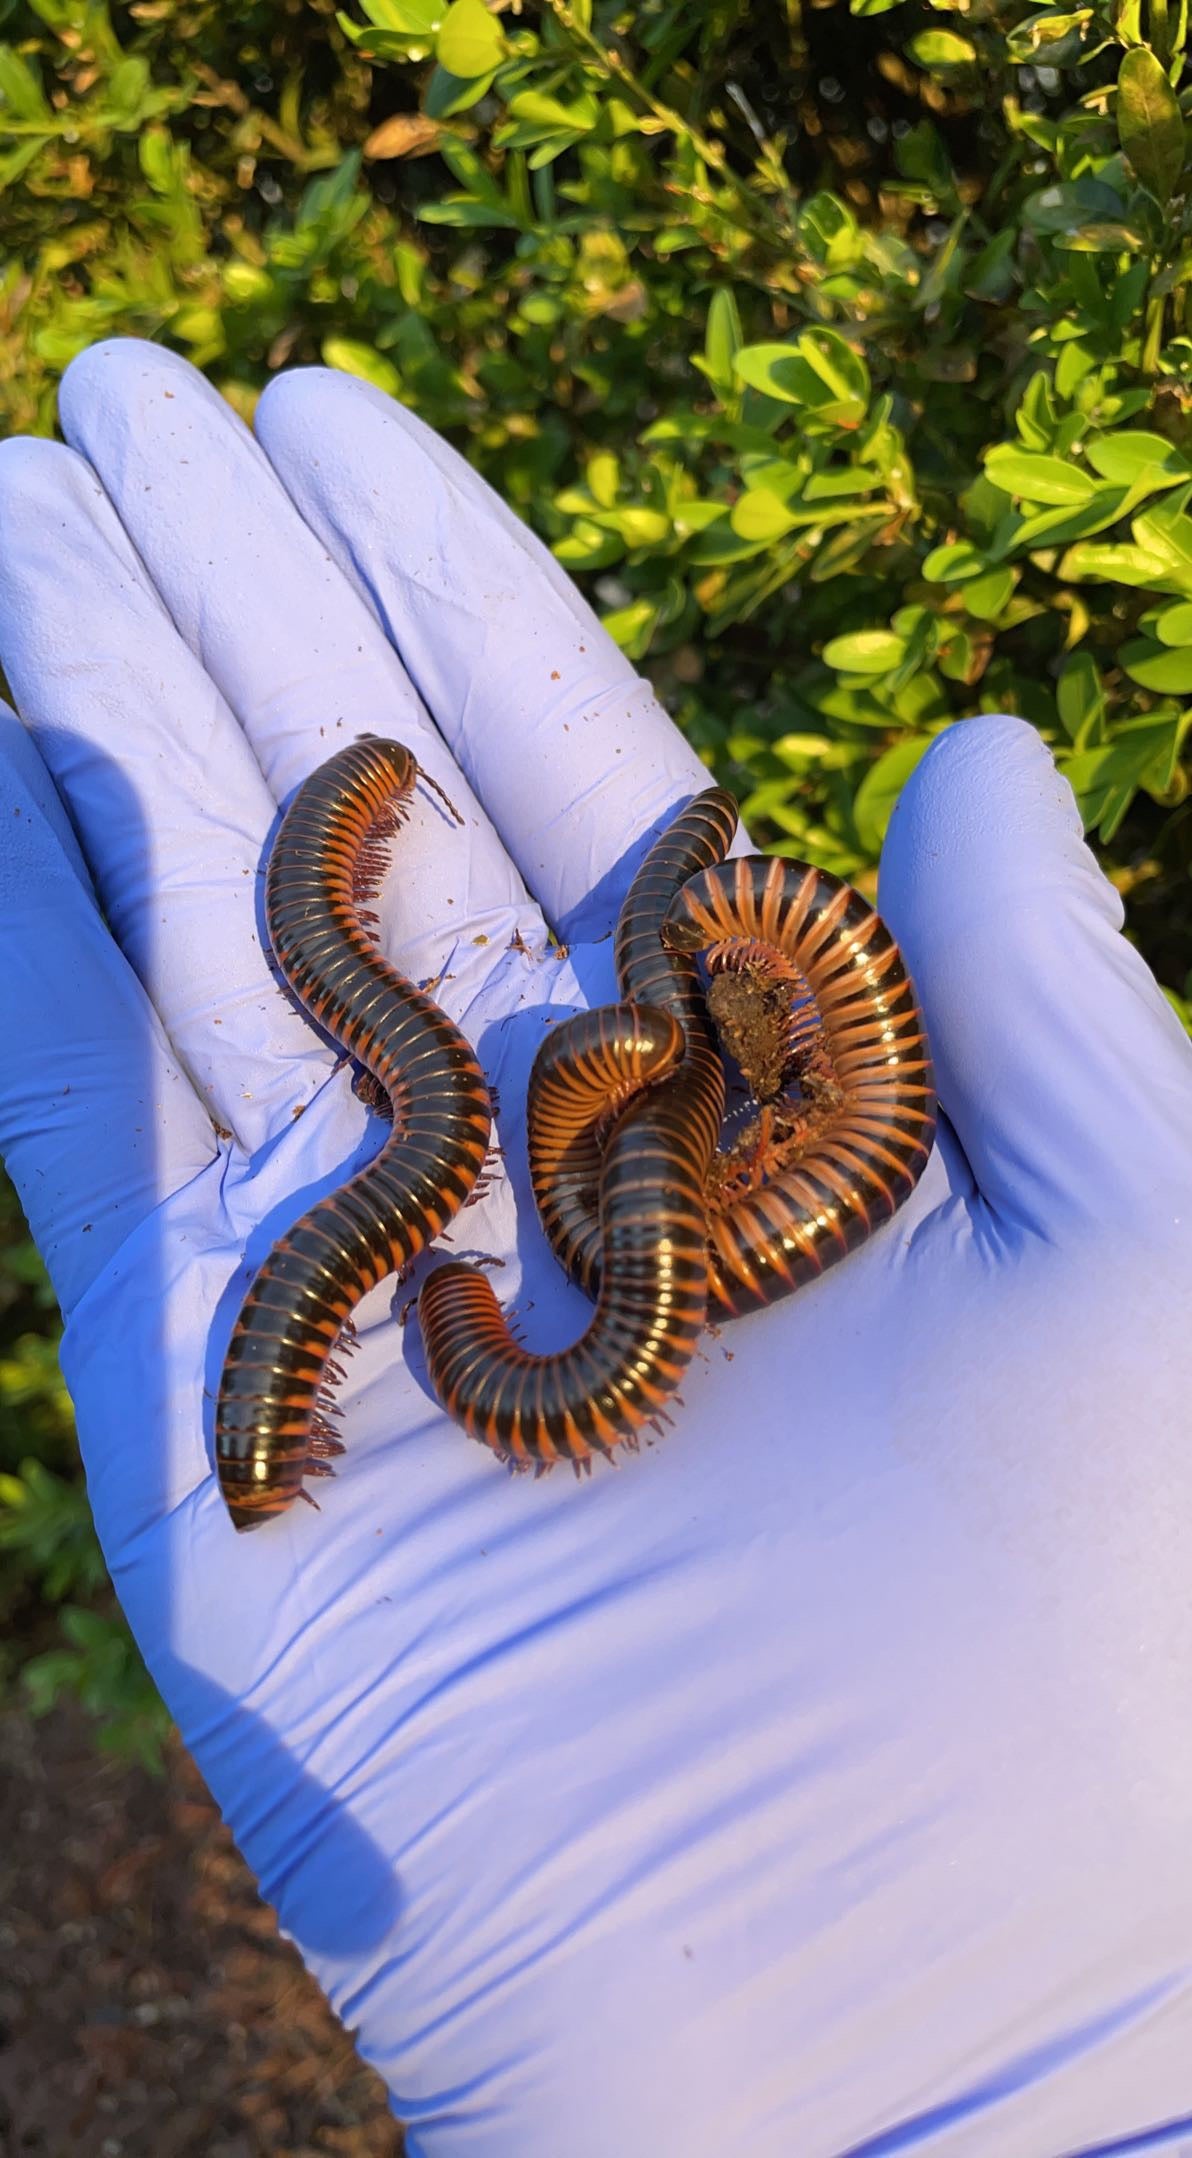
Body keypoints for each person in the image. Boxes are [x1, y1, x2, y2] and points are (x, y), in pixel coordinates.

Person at [0, 338, 1189, 2157]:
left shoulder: (591, 1130)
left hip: (662, 1110)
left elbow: (556, 1116)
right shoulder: (568, 1168)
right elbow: (547, 1129)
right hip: (658, 1120)